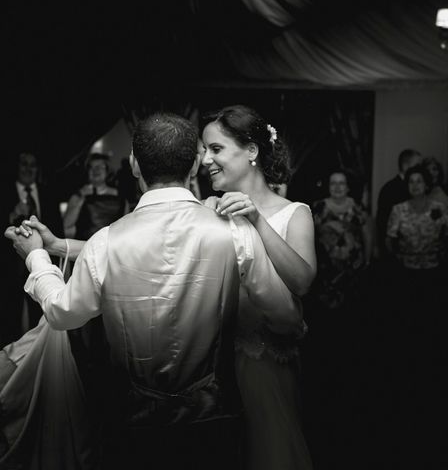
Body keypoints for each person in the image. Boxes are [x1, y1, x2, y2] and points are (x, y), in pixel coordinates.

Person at [2, 112, 301, 470]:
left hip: (132, 424)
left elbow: (62, 313)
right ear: (194, 165)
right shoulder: (235, 232)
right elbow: (286, 319)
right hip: (213, 419)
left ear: (133, 164)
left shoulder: (106, 243)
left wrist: (36, 256)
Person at [200, 105, 317, 470]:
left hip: (265, 366)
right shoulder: (208, 210)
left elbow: (302, 281)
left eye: (215, 149)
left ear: (251, 151)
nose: (205, 160)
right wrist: (60, 247)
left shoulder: (294, 213)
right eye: (205, 150)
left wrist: (256, 220)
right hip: (210, 369)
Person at [1, 151, 63, 346]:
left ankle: (38, 354)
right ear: (16, 167)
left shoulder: (48, 191)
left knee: (42, 313)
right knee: (9, 313)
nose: (28, 169)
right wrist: (11, 216)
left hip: (42, 261)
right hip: (9, 265)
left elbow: (57, 227)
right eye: (24, 164)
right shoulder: (4, 190)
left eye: (32, 165)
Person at [385, 164, 448, 304]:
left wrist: (447, 259)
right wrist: (396, 260)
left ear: (427, 185)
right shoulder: (398, 209)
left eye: (419, 181)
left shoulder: (439, 208)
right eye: (411, 181)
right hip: (407, 270)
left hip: (434, 269)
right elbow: (389, 239)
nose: (415, 185)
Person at [312, 169, 373, 311]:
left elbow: (367, 235)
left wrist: (368, 260)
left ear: (347, 187)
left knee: (352, 310)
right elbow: (309, 236)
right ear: (328, 186)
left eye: (341, 183)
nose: (337, 187)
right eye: (333, 183)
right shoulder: (318, 207)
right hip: (326, 270)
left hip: (353, 268)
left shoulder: (357, 207)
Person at [62, 153, 125, 240]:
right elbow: (67, 227)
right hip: (85, 244)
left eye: (100, 166)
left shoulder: (120, 196)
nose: (96, 170)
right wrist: (81, 199)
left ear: (108, 171)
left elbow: (126, 227)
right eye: (91, 167)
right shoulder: (78, 195)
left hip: (112, 245)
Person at [375, 148, 423, 261]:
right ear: (406, 166)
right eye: (418, 165)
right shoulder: (391, 189)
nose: (421, 169)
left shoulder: (413, 188)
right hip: (396, 252)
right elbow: (383, 223)